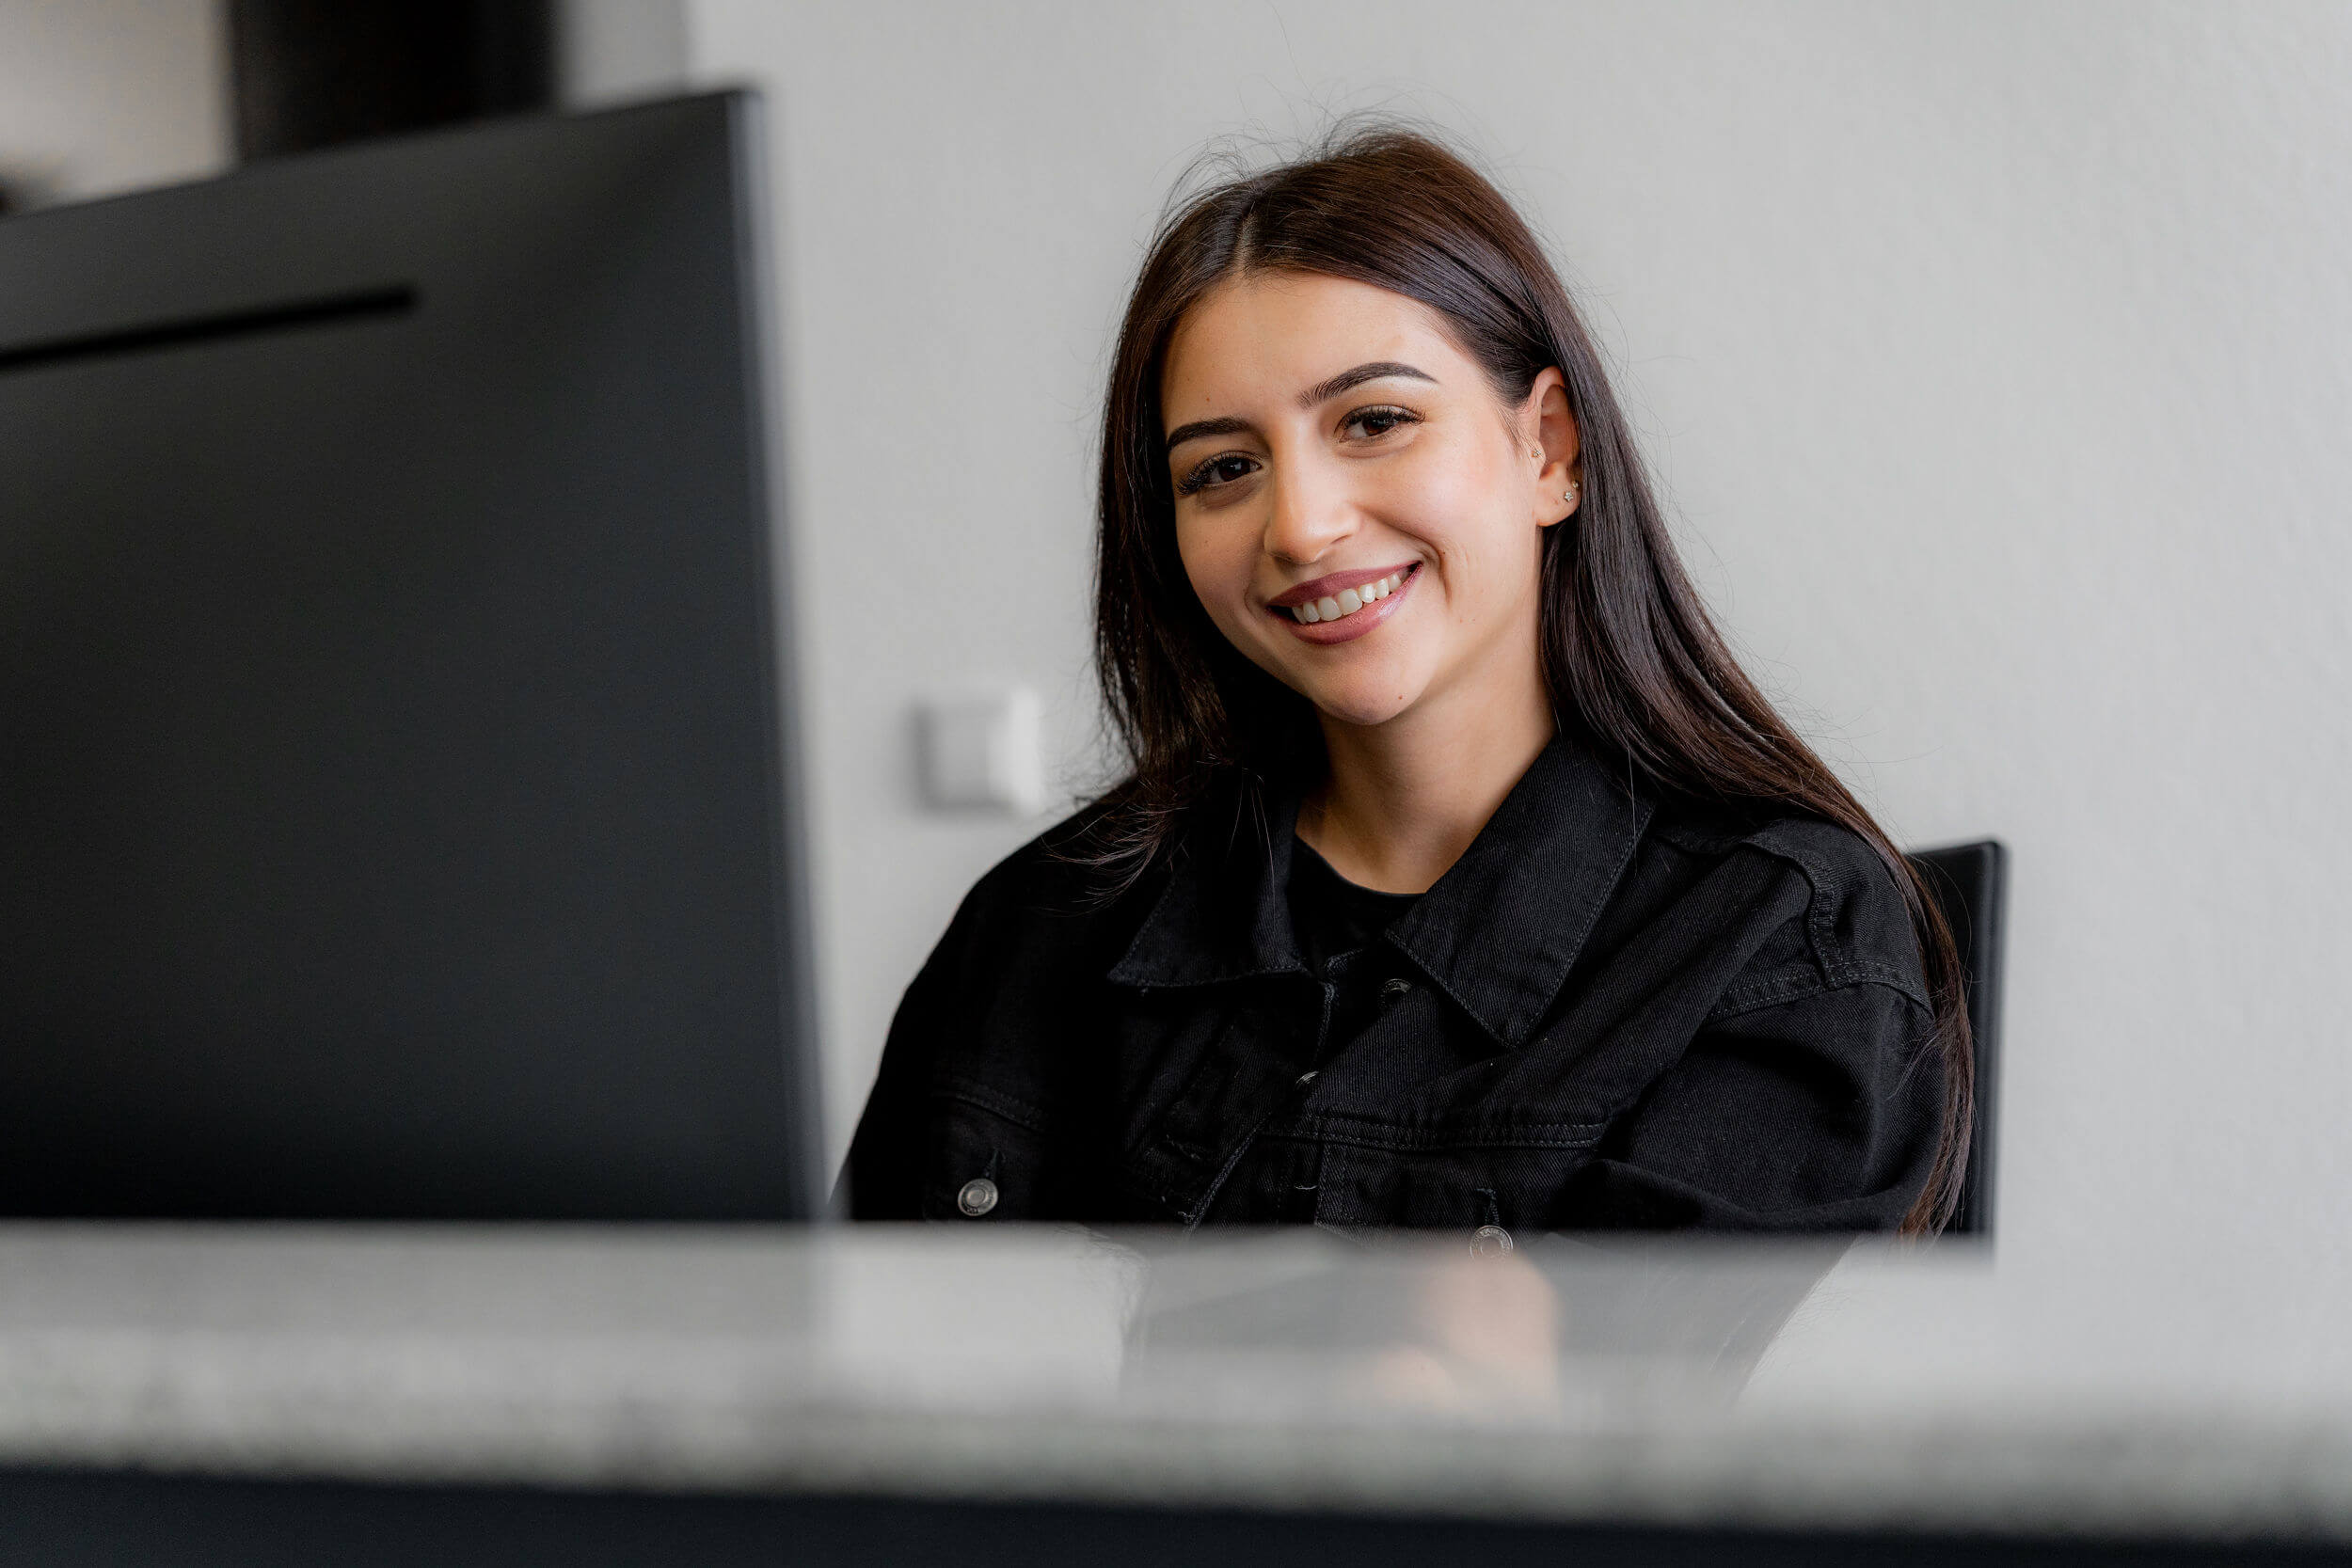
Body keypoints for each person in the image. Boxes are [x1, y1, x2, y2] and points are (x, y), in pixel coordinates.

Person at [844, 127, 1972, 1238]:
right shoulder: (1042, 919)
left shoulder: (1776, 935)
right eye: (1222, 468)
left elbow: (1643, 1414)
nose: (1299, 524)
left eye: (1375, 420)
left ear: (1550, 452)